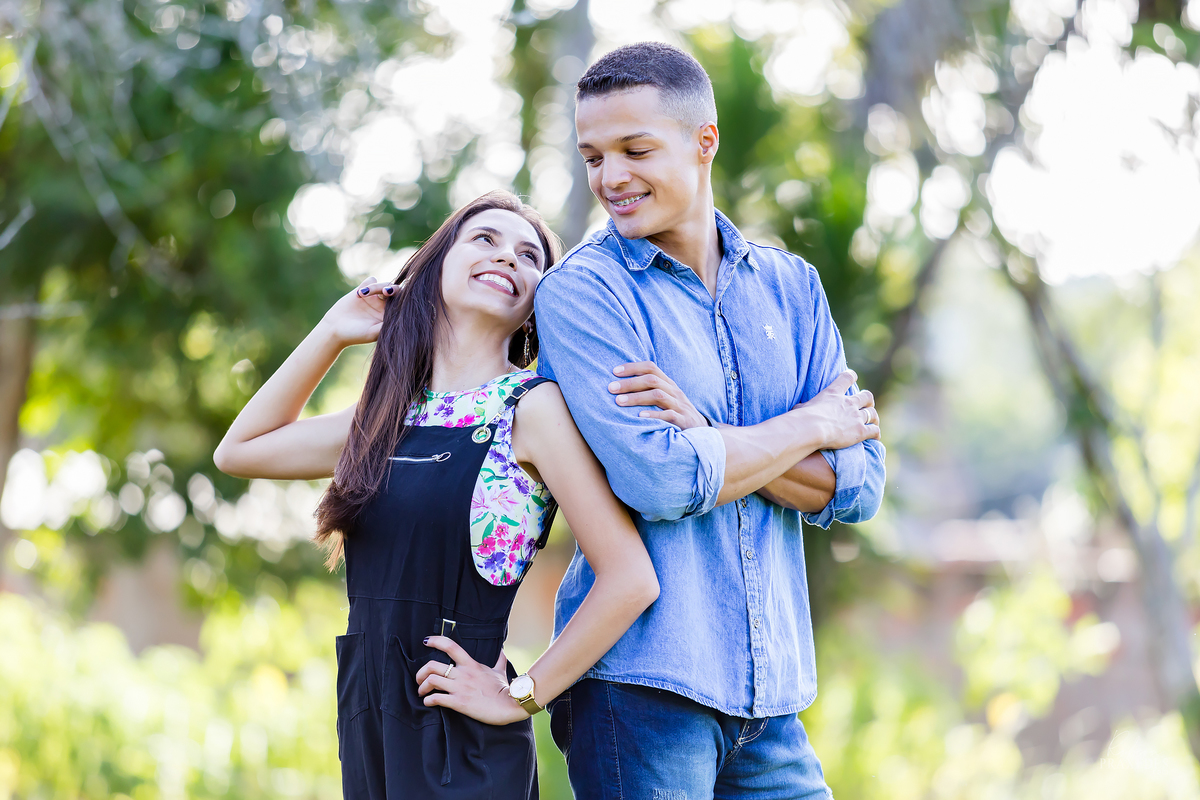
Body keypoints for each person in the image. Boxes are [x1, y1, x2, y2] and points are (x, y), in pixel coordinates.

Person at [213, 191, 660, 800]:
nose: (508, 257)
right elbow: (240, 449)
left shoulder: (533, 408)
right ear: (436, 267)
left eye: (530, 256)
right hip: (369, 724)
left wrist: (521, 694)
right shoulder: (385, 417)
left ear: (536, 302)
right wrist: (332, 333)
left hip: (461, 741)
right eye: (485, 239)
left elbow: (631, 579)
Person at [529, 43, 888, 798]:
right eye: (593, 156)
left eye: (634, 149)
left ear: (705, 141)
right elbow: (660, 479)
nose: (610, 178)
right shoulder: (582, 296)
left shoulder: (793, 288)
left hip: (772, 703)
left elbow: (860, 487)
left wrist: (707, 430)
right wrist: (815, 426)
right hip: (640, 691)